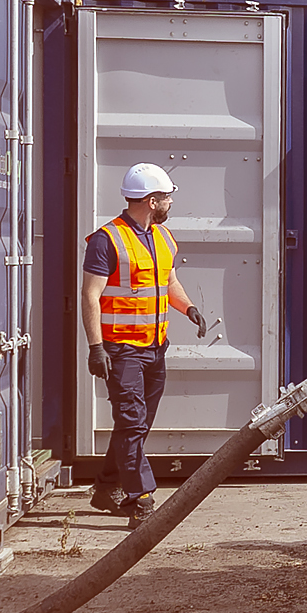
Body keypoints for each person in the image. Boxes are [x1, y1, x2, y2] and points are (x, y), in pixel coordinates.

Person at [86, 163, 210, 517]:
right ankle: (139, 498)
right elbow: (89, 296)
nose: (171, 203)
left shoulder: (162, 238)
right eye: (167, 197)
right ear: (152, 200)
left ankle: (106, 487)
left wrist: (188, 308)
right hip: (121, 351)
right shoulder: (106, 240)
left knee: (135, 424)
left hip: (155, 348)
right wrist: (96, 347)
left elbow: (168, 282)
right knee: (131, 422)